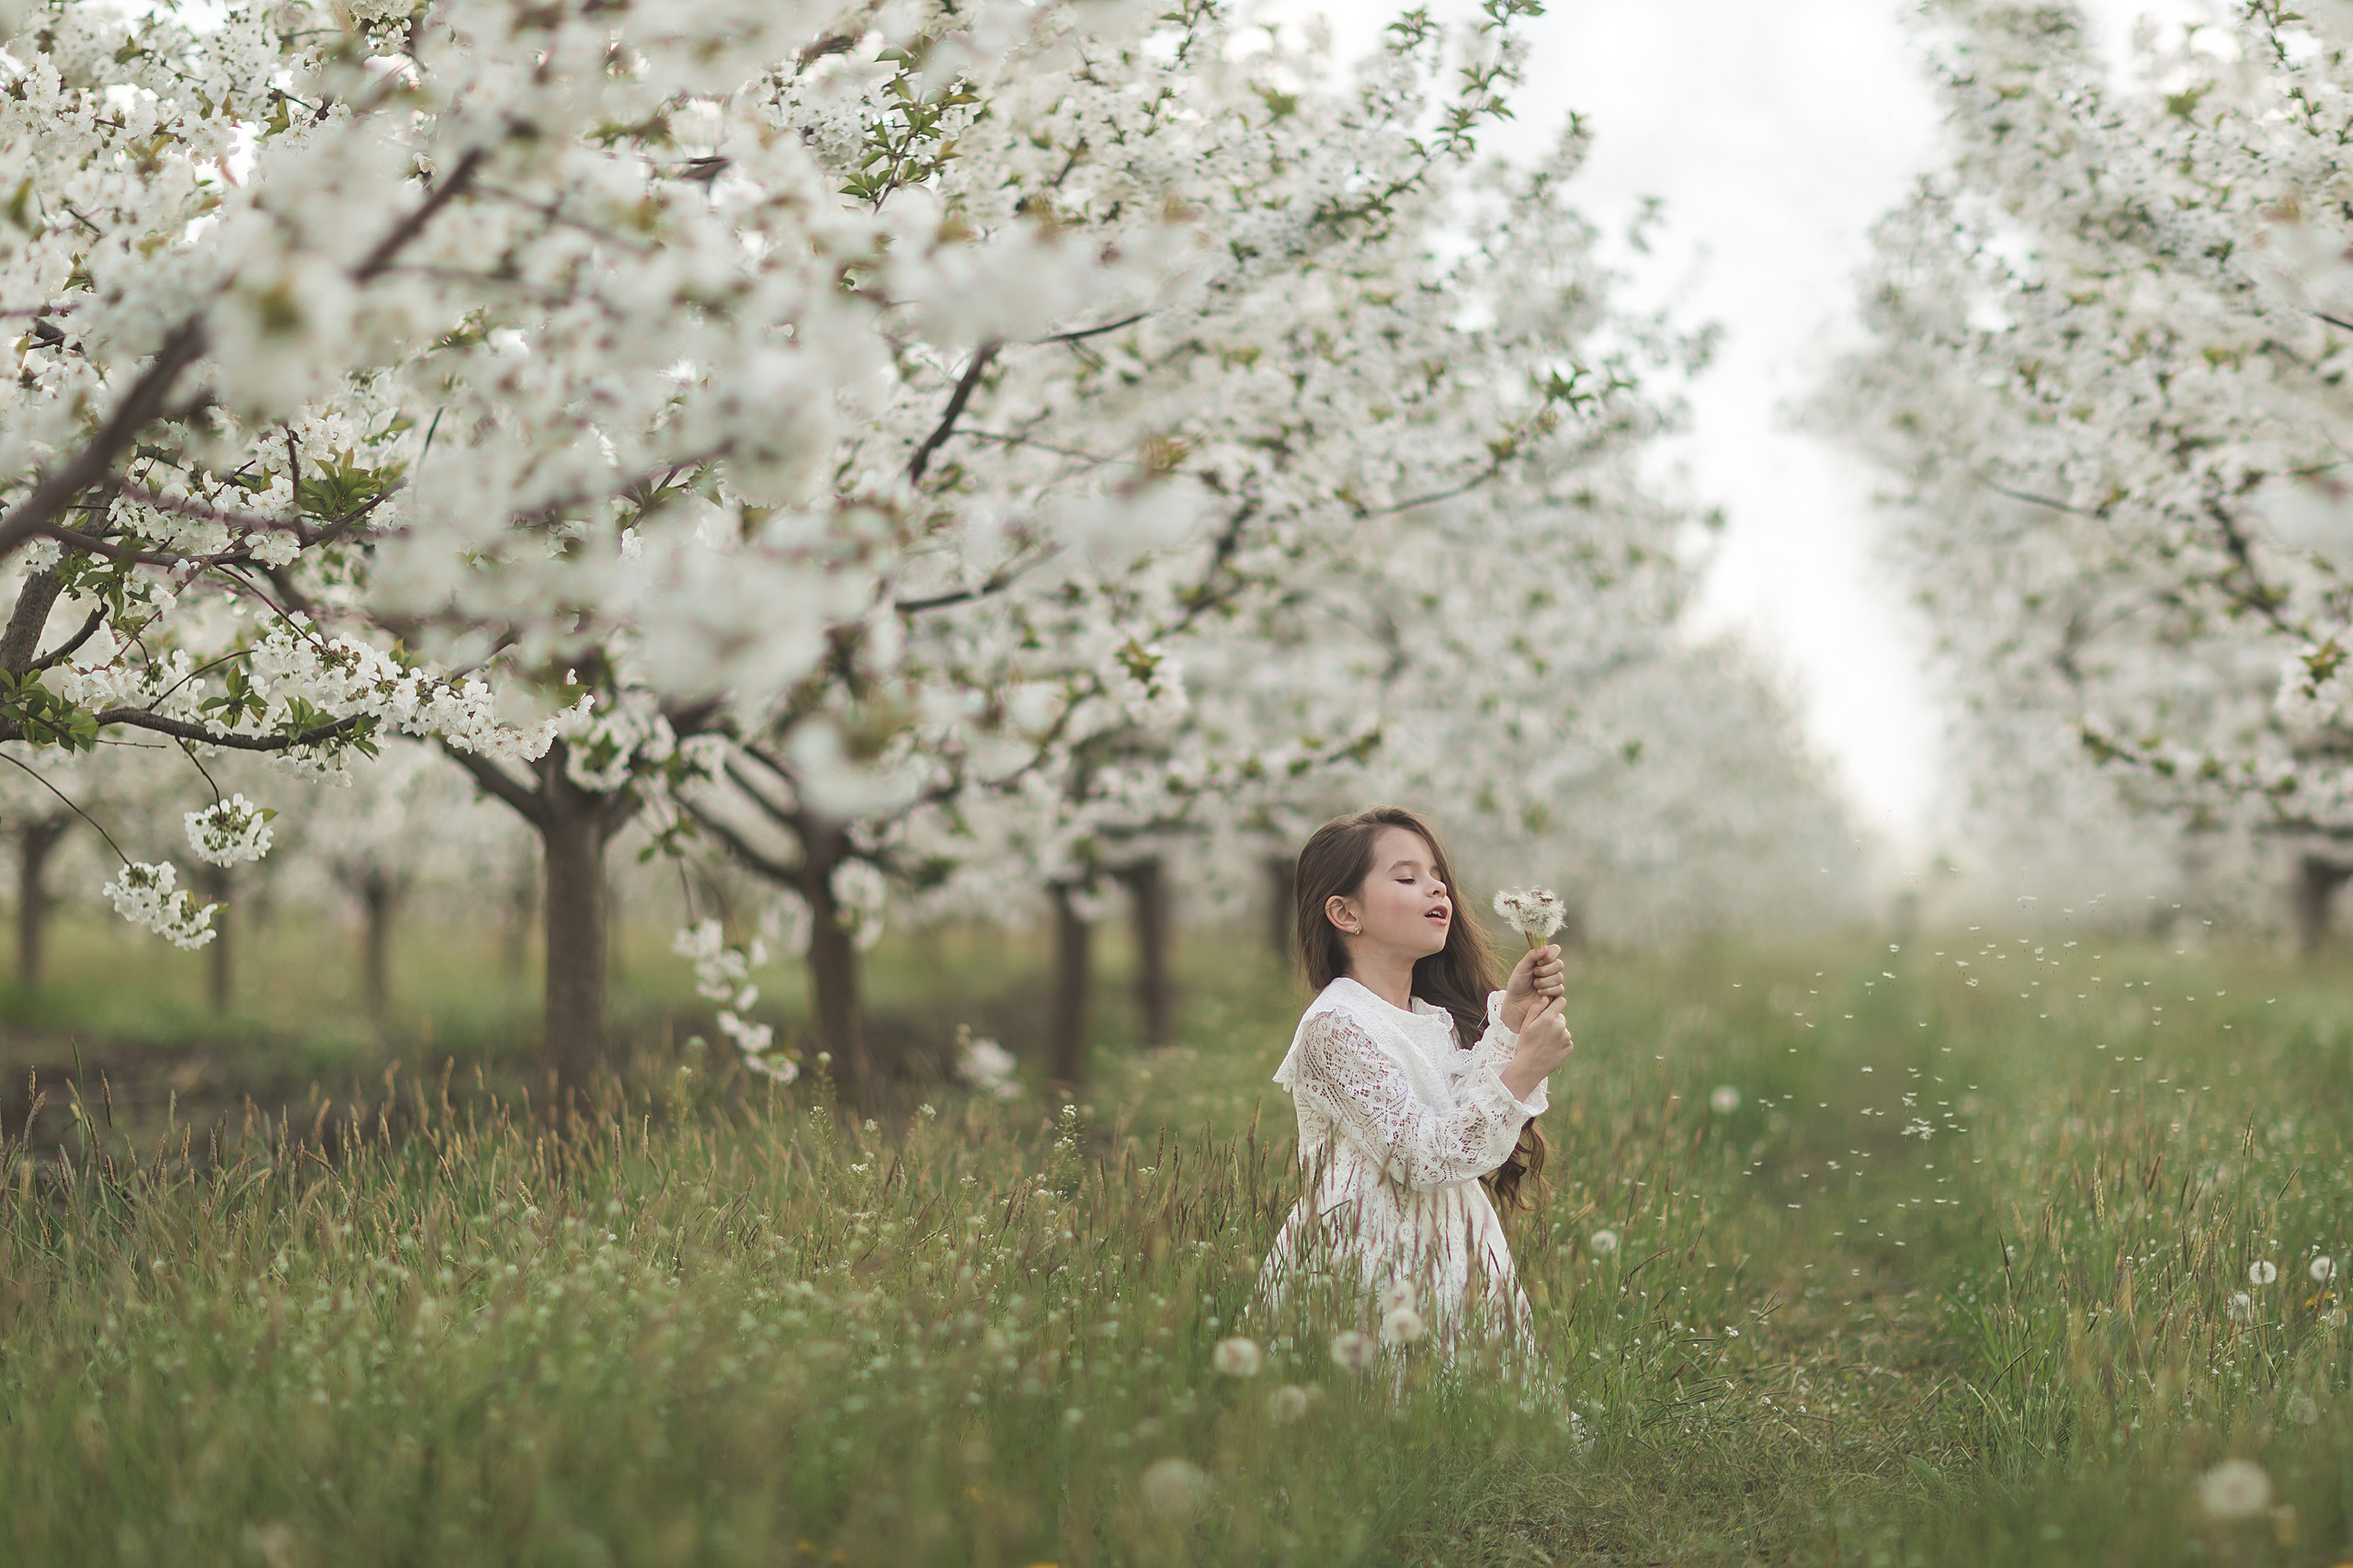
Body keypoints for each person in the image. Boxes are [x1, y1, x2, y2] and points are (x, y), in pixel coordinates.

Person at [1256, 805, 1574, 1350]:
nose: (1437, 891)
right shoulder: (1337, 1025)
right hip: (1364, 1267)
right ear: (1345, 913)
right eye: (1407, 877)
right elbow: (1422, 1157)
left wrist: (1512, 1021)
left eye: (1437, 878)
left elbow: (1459, 1122)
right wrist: (1522, 1071)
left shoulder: (1429, 1019)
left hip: (1451, 1254)